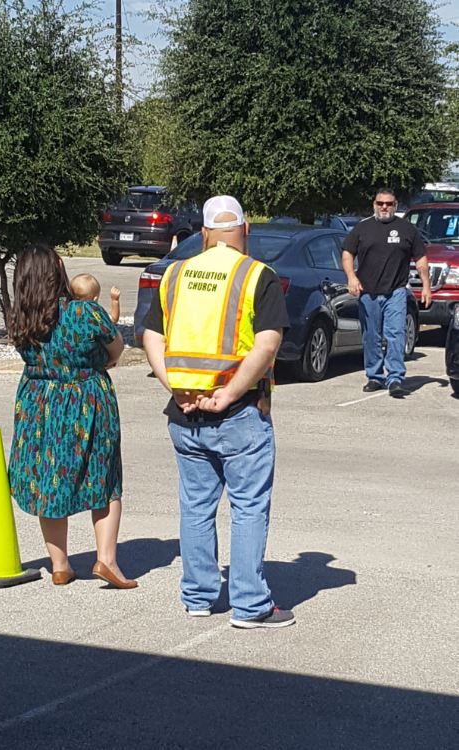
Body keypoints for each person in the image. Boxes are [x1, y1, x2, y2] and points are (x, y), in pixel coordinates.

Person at [143, 195, 294, 629]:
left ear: (204, 233)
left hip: (184, 411)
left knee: (195, 506)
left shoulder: (175, 274)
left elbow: (151, 336)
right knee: (248, 507)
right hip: (238, 412)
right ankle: (250, 605)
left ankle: (198, 596)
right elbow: (267, 345)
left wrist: (176, 387)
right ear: (245, 230)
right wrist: (228, 394)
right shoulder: (256, 275)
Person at [8, 246, 137, 589]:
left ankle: (60, 565)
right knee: (103, 475)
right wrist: (97, 362)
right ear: (58, 269)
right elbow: (116, 349)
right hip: (86, 397)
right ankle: (106, 560)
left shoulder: (21, 318)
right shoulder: (85, 312)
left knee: (48, 477)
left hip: (38, 401)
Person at [342, 187, 432, 398]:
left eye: (389, 204)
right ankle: (375, 376)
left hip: (396, 292)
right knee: (371, 336)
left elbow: (421, 259)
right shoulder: (362, 228)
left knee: (395, 334)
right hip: (368, 292)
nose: (384, 207)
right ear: (374, 204)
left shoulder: (407, 229)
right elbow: (347, 253)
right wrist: (351, 277)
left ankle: (395, 378)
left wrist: (426, 286)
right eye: (380, 203)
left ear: (395, 205)